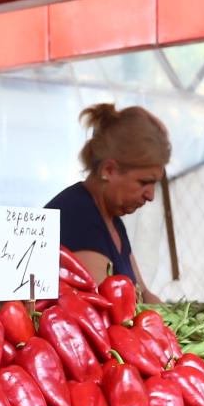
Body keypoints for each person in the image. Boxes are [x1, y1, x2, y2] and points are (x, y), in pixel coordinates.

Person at [46, 103, 170, 294]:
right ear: (108, 170)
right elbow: (105, 307)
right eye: (144, 182)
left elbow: (143, 294)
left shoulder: (113, 221)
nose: (151, 195)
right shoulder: (77, 218)